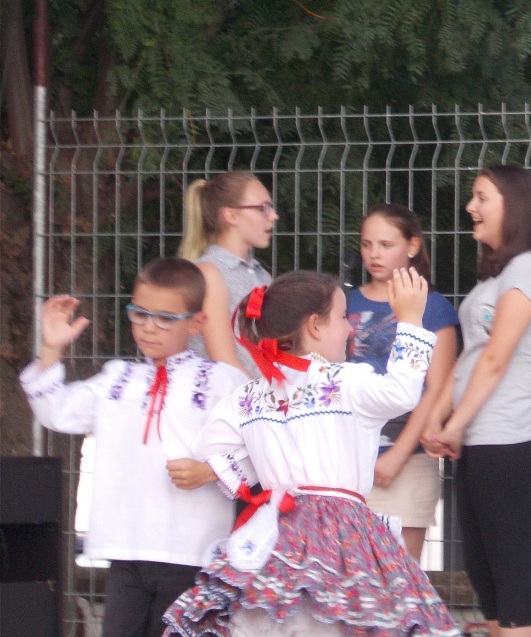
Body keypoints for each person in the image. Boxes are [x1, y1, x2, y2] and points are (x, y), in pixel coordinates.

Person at [163, 268, 459, 637]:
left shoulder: (248, 396)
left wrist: (259, 456)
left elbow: (213, 449)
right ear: (315, 326)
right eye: (342, 317)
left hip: (274, 536)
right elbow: (402, 392)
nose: (349, 328)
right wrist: (412, 319)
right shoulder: (346, 382)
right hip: (342, 538)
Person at [21, 258, 245, 637]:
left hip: (193, 551)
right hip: (126, 549)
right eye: (139, 314)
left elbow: (256, 445)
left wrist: (211, 470)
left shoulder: (223, 382)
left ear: (196, 323)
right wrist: (51, 348)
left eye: (165, 318)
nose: (148, 327)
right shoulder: (117, 378)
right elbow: (57, 411)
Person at [423, 165, 531, 637]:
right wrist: (437, 418)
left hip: (509, 433)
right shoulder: (499, 275)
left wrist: (454, 424)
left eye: (482, 197)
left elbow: (495, 359)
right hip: (480, 435)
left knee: (506, 563)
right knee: (480, 563)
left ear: (514, 206)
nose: (471, 207)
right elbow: (470, 357)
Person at [347, 203, 460, 560]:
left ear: (412, 246)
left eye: (386, 244)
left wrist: (397, 454)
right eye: (367, 244)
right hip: (348, 459)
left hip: (406, 461)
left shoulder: (434, 307)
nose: (374, 254)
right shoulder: (345, 302)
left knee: (399, 574)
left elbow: (437, 388)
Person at [179, 171, 276, 375]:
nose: (273, 216)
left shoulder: (262, 276)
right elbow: (224, 362)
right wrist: (268, 393)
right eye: (262, 208)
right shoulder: (209, 273)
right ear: (231, 215)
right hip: (229, 393)